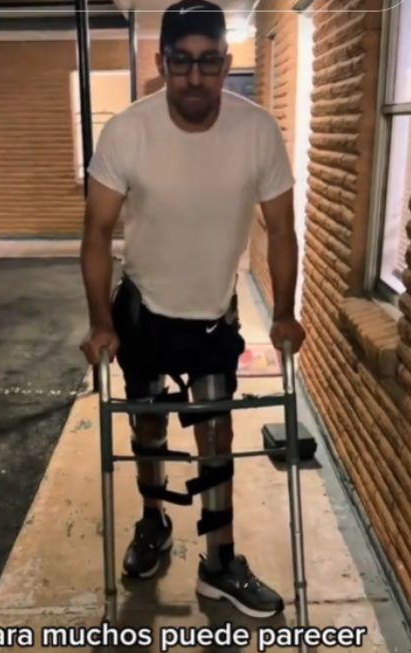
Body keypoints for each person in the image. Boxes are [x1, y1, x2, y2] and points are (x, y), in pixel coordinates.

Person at [78, 0, 305, 619]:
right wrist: (101, 322)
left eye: (209, 63)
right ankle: (153, 523)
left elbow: (281, 230)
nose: (196, 78)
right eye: (182, 63)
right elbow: (96, 232)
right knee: (147, 430)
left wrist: (284, 312)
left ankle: (220, 562)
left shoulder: (257, 131)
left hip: (212, 318)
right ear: (163, 61)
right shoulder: (129, 131)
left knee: (216, 435)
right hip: (145, 312)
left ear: (226, 62)